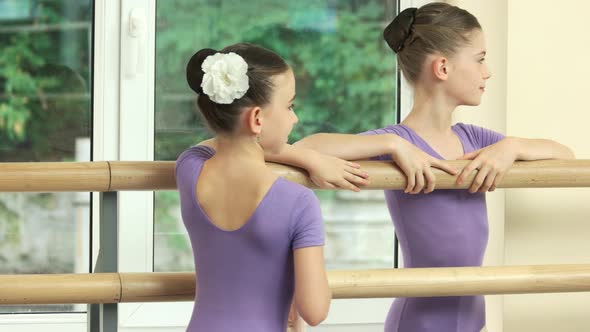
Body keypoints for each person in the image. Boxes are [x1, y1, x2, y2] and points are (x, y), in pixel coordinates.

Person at [294, 3, 574, 332]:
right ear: (442, 67)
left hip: (473, 323)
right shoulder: (396, 141)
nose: (488, 71)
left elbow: (565, 156)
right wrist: (392, 145)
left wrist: (511, 148)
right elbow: (305, 148)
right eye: (480, 58)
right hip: (416, 324)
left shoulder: (476, 139)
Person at [177, 42, 369, 331]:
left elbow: (215, 145)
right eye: (290, 106)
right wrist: (307, 157)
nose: (295, 117)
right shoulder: (298, 202)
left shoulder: (189, 169)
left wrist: (295, 152)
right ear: (256, 119)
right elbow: (314, 310)